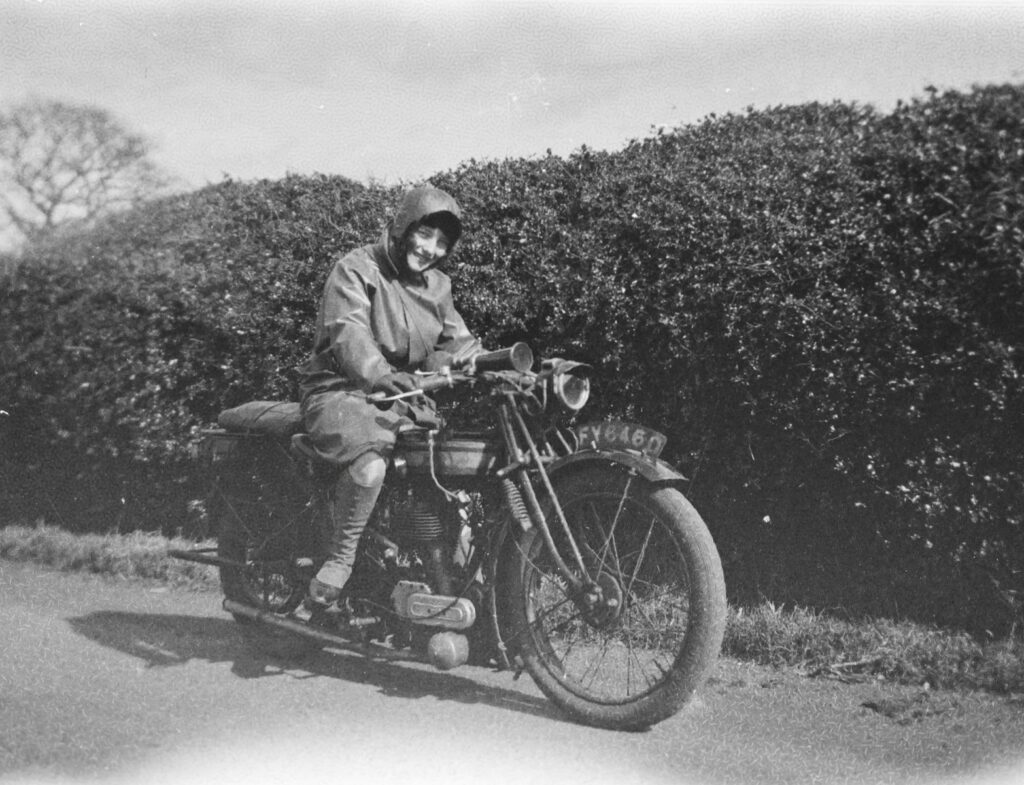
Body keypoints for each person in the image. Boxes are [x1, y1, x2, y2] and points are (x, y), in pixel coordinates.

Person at [297, 185, 483, 606]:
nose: (431, 249)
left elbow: (461, 343)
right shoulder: (356, 268)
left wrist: (508, 365)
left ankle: (441, 577)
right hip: (342, 391)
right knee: (370, 464)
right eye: (425, 234)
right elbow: (348, 332)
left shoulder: (438, 287)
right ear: (403, 226)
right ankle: (340, 559)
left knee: (453, 472)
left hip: (405, 396)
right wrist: (379, 373)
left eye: (442, 242)